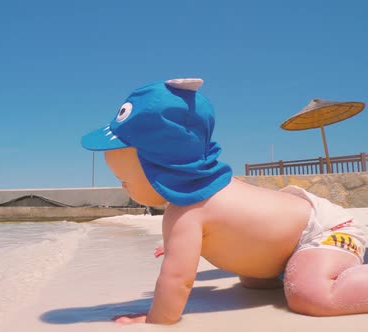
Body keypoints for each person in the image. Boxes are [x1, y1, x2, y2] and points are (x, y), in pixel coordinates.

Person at [81, 78, 368, 325]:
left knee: (309, 294)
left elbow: (177, 280)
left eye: (125, 180)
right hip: (291, 241)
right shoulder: (196, 203)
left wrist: (158, 319)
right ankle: (298, 269)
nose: (122, 185)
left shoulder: (187, 214)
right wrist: (174, 246)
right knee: (253, 281)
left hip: (328, 232)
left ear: (159, 167)